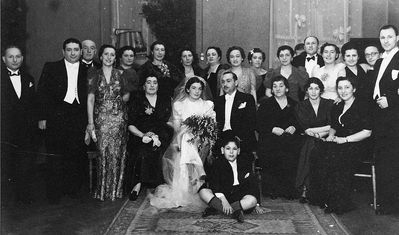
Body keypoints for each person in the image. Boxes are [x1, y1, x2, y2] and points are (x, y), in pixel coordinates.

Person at [149, 76, 217, 211]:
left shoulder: (207, 105)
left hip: (203, 141)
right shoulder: (179, 105)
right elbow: (178, 127)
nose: (197, 91)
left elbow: (211, 126)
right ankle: (196, 173)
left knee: (189, 141)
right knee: (186, 138)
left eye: (199, 89)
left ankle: (196, 173)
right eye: (193, 88)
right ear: (187, 89)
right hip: (184, 138)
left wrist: (200, 134)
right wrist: (184, 136)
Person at [308, 76, 372, 215]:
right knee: (318, 153)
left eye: (347, 87)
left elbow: (367, 132)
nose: (343, 91)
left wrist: (345, 139)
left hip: (358, 143)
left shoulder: (362, 105)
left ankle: (340, 202)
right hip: (339, 141)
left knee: (337, 158)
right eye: (340, 88)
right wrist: (331, 136)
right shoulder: (337, 106)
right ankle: (323, 197)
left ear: (354, 89)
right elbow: (334, 126)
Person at [37, 38, 88, 204]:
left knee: (75, 154)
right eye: (69, 49)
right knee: (55, 155)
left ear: (81, 52)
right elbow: (42, 93)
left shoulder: (88, 70)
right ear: (63, 52)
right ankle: (54, 193)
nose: (72, 53)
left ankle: (71, 189)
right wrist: (42, 117)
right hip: (56, 116)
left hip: (78, 116)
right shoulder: (51, 67)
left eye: (75, 50)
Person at [86, 44, 133, 201]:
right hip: (100, 119)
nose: (109, 57)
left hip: (118, 118)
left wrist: (117, 101)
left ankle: (115, 190)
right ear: (101, 56)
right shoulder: (95, 74)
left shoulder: (121, 74)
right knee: (102, 152)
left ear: (115, 58)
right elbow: (90, 98)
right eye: (106, 54)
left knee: (117, 153)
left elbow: (127, 95)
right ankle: (102, 190)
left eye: (112, 55)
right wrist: (91, 122)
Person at [127, 75, 173, 201]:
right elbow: (130, 124)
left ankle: (159, 186)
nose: (152, 85)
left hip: (161, 134)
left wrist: (158, 135)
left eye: (154, 83)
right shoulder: (137, 100)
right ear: (144, 85)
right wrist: (142, 135)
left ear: (158, 85)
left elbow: (169, 121)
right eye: (149, 82)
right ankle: (137, 184)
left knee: (157, 149)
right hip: (140, 134)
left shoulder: (165, 100)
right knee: (142, 151)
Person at [1, 45, 36, 204]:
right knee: (7, 165)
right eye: (11, 57)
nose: (14, 60)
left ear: (22, 59)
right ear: (4, 59)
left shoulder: (29, 79)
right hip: (5, 132)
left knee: (25, 165)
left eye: (18, 56)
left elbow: (32, 105)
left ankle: (24, 197)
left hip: (25, 131)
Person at [257, 75, 301, 200]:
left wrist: (294, 127)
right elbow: (258, 123)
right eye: (274, 86)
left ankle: (288, 190)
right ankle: (272, 190)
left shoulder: (295, 104)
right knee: (271, 153)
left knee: (291, 154)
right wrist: (272, 129)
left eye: (281, 86)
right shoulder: (265, 104)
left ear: (287, 89)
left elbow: (300, 122)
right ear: (271, 89)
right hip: (270, 140)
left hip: (289, 141)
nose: (278, 89)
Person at [199, 131, 258, 223]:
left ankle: (218, 209)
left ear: (238, 151)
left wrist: (257, 204)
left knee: (252, 201)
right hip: (222, 193)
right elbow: (214, 184)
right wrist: (223, 200)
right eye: (228, 149)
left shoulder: (244, 162)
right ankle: (235, 211)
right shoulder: (218, 163)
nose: (231, 152)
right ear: (222, 150)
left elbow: (252, 182)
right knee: (203, 192)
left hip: (239, 195)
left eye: (234, 149)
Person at [371, 25, 399, 215]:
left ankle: (394, 205)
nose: (386, 40)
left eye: (390, 37)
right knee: (383, 160)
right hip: (381, 118)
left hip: (395, 118)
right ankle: (385, 203)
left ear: (397, 37)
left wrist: (392, 99)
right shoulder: (380, 61)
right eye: (382, 37)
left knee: (393, 161)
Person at [294, 77, 333, 203]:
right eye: (310, 88)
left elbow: (332, 126)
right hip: (307, 138)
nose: (313, 92)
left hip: (327, 138)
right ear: (306, 91)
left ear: (321, 90)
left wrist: (320, 134)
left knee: (312, 145)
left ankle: (306, 188)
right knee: (311, 144)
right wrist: (318, 132)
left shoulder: (329, 104)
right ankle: (308, 188)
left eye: (316, 88)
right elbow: (306, 129)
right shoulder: (301, 106)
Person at [215, 71, 257, 157]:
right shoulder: (218, 101)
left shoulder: (247, 98)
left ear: (236, 82)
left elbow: (251, 122)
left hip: (241, 140)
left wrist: (238, 138)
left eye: (228, 81)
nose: (225, 84)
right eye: (223, 82)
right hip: (222, 140)